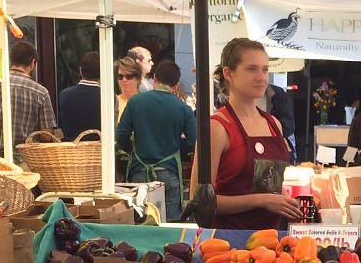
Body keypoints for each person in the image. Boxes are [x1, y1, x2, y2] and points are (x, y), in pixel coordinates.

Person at [197, 38, 303, 230]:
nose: (261, 78)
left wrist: (284, 200)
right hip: (226, 244)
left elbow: (270, 185)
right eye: (251, 69)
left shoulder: (274, 124)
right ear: (228, 73)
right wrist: (262, 200)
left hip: (270, 244)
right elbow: (200, 201)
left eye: (265, 69)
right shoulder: (217, 128)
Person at [116, 60, 196, 221]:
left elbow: (121, 134)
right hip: (169, 173)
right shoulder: (183, 108)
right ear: (176, 84)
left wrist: (132, 150)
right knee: (171, 225)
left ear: (154, 77)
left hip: (139, 173)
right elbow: (194, 141)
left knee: (139, 223)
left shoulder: (135, 102)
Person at [56, 50, 102, 140]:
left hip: (71, 149)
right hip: (99, 150)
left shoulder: (64, 95)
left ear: (80, 70)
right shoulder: (108, 97)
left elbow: (61, 123)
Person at [263, 81, 298, 164]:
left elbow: (288, 126)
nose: (260, 77)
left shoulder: (278, 94)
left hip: (276, 152)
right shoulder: (235, 97)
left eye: (265, 70)